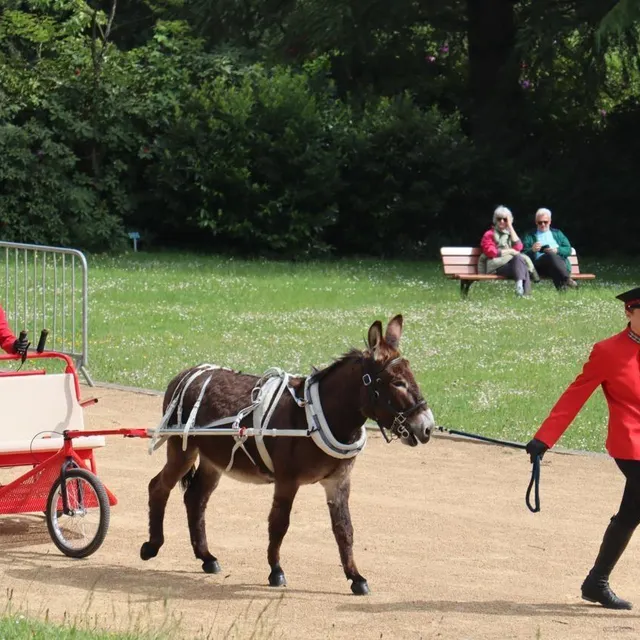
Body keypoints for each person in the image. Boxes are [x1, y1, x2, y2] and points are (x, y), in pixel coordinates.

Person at [526, 287, 640, 610]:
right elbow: (575, 395)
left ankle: (596, 581)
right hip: (630, 444)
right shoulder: (607, 351)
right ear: (628, 314)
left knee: (632, 512)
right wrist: (544, 438)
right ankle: (597, 581)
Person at [478, 206, 539, 297]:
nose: (502, 221)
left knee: (519, 259)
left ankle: (520, 290)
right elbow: (491, 252)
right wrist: (510, 251)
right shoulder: (489, 234)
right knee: (521, 261)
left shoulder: (510, 234)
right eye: (499, 219)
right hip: (496, 266)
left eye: (505, 219)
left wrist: (510, 226)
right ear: (495, 220)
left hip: (512, 264)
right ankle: (524, 293)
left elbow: (519, 247)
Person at [522, 208, 578, 291]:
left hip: (557, 265)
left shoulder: (557, 233)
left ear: (550, 221)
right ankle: (567, 279)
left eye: (545, 222)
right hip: (539, 266)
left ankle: (564, 295)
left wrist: (557, 250)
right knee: (550, 255)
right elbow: (522, 253)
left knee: (553, 263)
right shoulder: (529, 235)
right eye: (540, 222)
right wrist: (532, 250)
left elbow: (568, 249)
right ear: (536, 222)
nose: (543, 224)